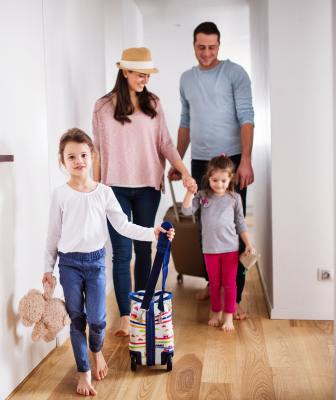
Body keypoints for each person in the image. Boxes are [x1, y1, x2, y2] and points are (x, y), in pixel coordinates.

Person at [43, 128, 175, 396]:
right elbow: (53, 235)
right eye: (71, 157)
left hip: (95, 264)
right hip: (68, 265)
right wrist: (48, 267)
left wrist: (153, 232)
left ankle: (96, 350)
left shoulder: (104, 192)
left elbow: (124, 226)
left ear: (92, 156)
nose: (78, 160)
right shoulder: (60, 194)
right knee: (77, 319)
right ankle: (84, 371)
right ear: (62, 161)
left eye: (83, 154)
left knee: (98, 319)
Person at [92, 47, 193, 338]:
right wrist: (95, 193)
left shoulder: (153, 104)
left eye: (148, 75)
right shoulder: (102, 107)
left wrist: (184, 173)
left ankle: (143, 308)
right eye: (139, 74)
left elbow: (166, 144)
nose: (144, 80)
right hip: (114, 189)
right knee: (121, 254)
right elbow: (97, 152)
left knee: (144, 249)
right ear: (124, 71)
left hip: (149, 186)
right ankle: (125, 316)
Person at [167, 22, 254, 319]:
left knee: (231, 225)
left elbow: (247, 118)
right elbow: (185, 121)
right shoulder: (186, 79)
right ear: (193, 46)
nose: (206, 53)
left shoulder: (235, 73)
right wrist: (177, 163)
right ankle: (212, 285)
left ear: (219, 46)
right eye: (201, 47)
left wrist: (246, 161)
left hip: (231, 159)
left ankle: (235, 296)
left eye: (212, 47)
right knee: (206, 226)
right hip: (200, 161)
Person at [181, 155, 256, 331]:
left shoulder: (235, 198)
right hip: (210, 250)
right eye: (215, 180)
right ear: (208, 176)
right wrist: (189, 193)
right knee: (214, 283)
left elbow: (241, 224)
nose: (219, 184)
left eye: (223, 180)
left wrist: (249, 244)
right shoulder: (202, 196)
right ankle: (216, 314)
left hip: (230, 249)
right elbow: (186, 210)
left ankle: (228, 317)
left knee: (230, 283)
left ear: (230, 178)